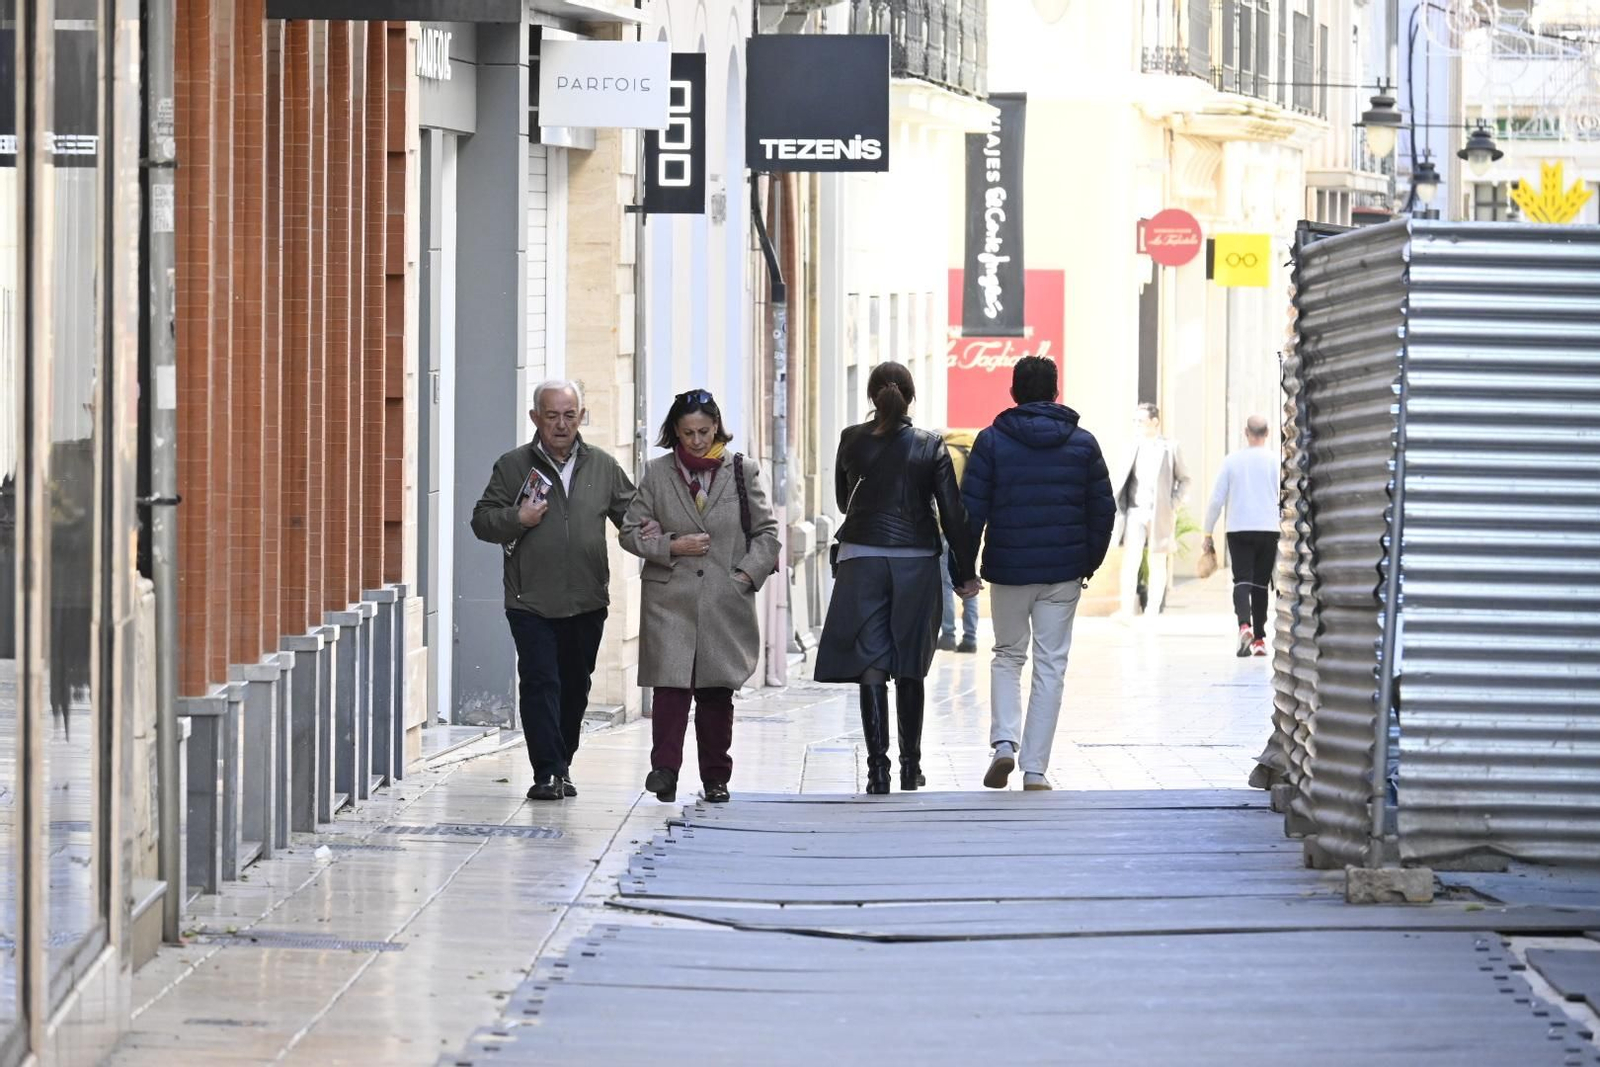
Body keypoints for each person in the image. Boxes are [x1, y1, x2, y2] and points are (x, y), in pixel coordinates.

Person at [814, 362, 980, 795]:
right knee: (910, 662)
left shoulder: (850, 439)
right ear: (911, 396)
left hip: (860, 559)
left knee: (871, 661)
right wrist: (965, 573)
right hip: (916, 561)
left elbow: (843, 502)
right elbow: (952, 513)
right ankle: (911, 767)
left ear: (872, 397)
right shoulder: (930, 445)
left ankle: (877, 772)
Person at [471, 380, 635, 802]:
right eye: (551, 416)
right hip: (530, 601)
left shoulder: (603, 466)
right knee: (541, 682)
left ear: (581, 417)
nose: (561, 425)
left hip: (586, 600)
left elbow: (634, 520)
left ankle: (562, 763)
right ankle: (547, 772)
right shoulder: (512, 466)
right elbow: (482, 521)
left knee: (575, 688)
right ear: (535, 418)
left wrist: (668, 543)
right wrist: (518, 518)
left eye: (569, 415)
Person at [619, 389, 781, 804]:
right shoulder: (656, 473)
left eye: (704, 431)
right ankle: (664, 772)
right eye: (688, 432)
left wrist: (744, 576)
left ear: (716, 427)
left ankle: (715, 777)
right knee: (670, 690)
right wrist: (672, 545)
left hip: (723, 600)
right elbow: (629, 532)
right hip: (669, 599)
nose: (696, 440)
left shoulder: (742, 470)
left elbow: (767, 533)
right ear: (675, 431)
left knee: (715, 693)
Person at [961, 357, 1115, 792]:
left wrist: (964, 569)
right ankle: (1034, 770)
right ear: (1055, 392)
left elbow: (970, 511)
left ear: (1014, 393)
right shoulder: (1083, 444)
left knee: (1008, 655)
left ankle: (1003, 744)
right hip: (1062, 573)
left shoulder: (991, 441)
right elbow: (1103, 511)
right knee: (1051, 666)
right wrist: (1087, 562)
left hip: (1009, 568)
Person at [1202, 414, 1279, 658]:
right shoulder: (1275, 461)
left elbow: (1216, 500)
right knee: (1261, 584)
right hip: (1268, 528)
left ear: (1246, 433)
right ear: (1267, 433)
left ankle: (1244, 626)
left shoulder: (1232, 461)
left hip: (1238, 529)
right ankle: (1259, 640)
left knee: (1242, 581)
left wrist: (1208, 531)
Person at [1113, 402, 1189, 616]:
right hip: (1135, 511)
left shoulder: (1170, 447)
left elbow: (1185, 479)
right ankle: (1126, 608)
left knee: (1157, 561)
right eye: (1135, 420)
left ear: (1154, 422)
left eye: (1141, 420)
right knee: (1131, 560)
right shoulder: (1131, 446)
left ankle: (1152, 610)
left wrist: (1173, 504)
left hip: (1160, 512)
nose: (1137, 424)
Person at [938, 428, 980, 653]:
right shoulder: (975, 454)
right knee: (970, 579)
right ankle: (970, 637)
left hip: (946, 527)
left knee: (946, 583)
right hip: (971, 527)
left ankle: (948, 635)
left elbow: (943, 495)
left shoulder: (948, 454)